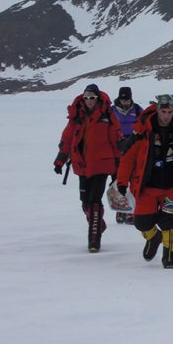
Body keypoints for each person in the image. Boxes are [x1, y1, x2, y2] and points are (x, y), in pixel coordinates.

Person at [116, 94, 173, 269]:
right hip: (146, 187)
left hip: (172, 189)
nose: (166, 115)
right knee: (142, 223)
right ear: (157, 110)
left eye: (170, 111)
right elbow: (128, 157)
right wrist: (122, 182)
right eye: (163, 111)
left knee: (169, 222)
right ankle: (153, 237)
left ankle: (170, 257)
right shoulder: (142, 131)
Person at [53, 83, 123, 252]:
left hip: (102, 164)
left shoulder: (107, 115)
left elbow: (117, 140)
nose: (89, 100)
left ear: (97, 98)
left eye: (92, 97)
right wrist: (60, 160)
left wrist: (119, 166)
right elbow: (67, 139)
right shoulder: (77, 116)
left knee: (94, 201)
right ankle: (98, 223)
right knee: (84, 203)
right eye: (86, 97)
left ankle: (94, 239)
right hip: (82, 165)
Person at [110, 86, 143, 224]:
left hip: (133, 147)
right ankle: (119, 209)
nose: (125, 103)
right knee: (117, 179)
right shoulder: (111, 111)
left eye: (127, 100)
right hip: (116, 148)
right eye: (123, 100)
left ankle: (130, 211)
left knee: (132, 179)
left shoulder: (137, 110)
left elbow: (143, 126)